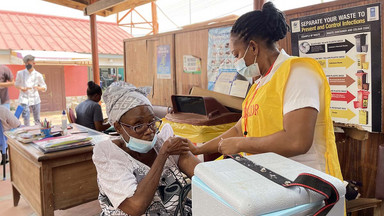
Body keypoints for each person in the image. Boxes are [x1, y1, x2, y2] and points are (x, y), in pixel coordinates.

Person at [189, 2, 343, 180]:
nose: (236, 62)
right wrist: (198, 149)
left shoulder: (298, 72)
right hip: (273, 180)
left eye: (236, 54)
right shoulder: (259, 85)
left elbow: (297, 141)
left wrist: (241, 144)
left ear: (253, 47)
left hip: (305, 183)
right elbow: (240, 130)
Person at [92, 82, 200, 215]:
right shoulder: (108, 155)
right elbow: (136, 207)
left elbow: (202, 174)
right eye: (138, 125)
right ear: (118, 127)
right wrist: (163, 155)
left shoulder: (163, 141)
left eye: (151, 122)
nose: (149, 131)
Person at [15, 55, 47, 126]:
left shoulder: (38, 75)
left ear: (34, 63)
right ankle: (27, 133)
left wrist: (38, 88)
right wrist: (22, 88)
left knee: (37, 120)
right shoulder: (20, 73)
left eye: (29, 64)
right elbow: (16, 84)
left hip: (35, 99)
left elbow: (44, 87)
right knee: (26, 118)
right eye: (25, 64)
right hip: (24, 98)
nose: (27, 65)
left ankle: (38, 133)